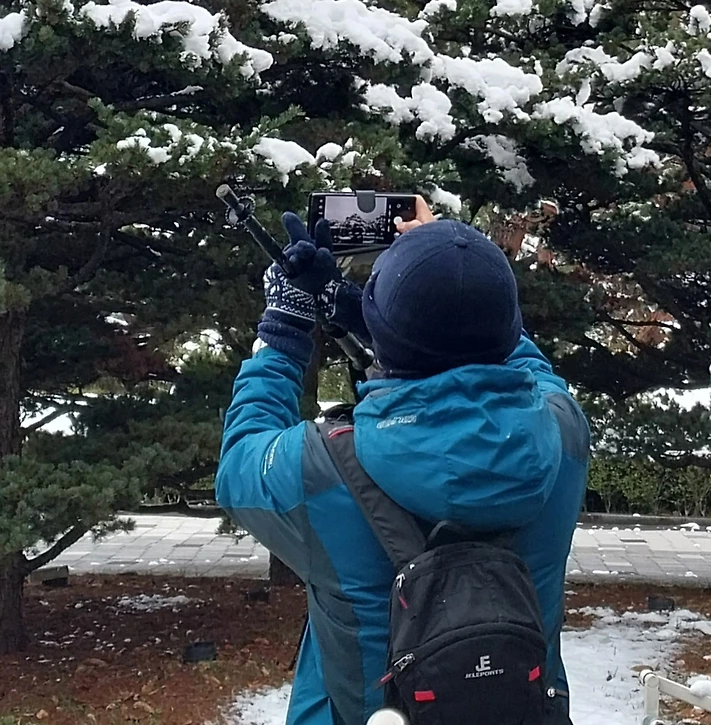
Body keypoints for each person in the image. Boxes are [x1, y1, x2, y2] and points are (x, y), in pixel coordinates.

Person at [215, 198, 589, 725]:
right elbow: (519, 357)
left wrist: (284, 327)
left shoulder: (318, 469)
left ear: (386, 338)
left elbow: (239, 462)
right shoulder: (564, 433)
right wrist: (455, 269)